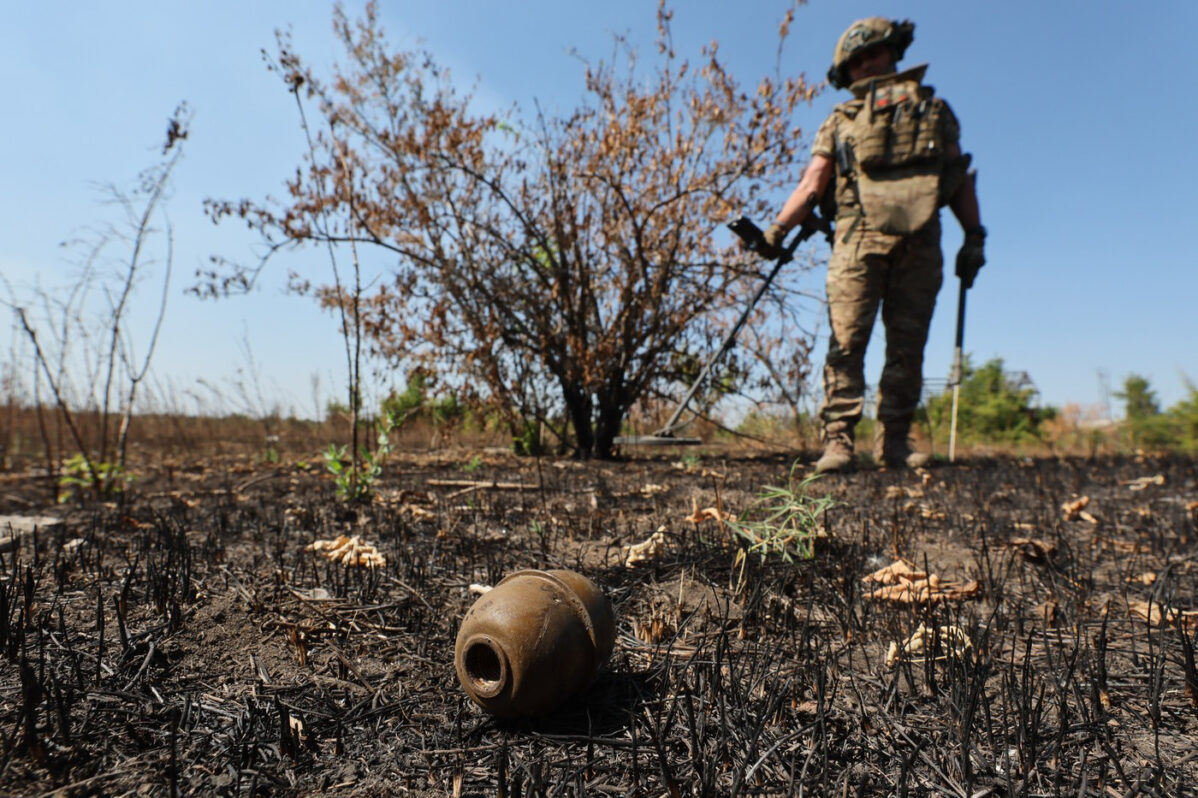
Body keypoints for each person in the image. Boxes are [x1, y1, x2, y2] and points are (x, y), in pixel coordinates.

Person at [762, 17, 985, 473]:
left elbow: (958, 178)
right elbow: (813, 184)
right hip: (856, 241)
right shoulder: (841, 119)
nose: (866, 65)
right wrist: (777, 230)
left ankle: (895, 444)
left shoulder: (934, 110)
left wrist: (974, 236)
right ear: (847, 73)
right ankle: (839, 443)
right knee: (847, 343)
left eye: (873, 54)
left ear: (893, 53)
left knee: (908, 346)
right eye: (856, 61)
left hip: (920, 242)